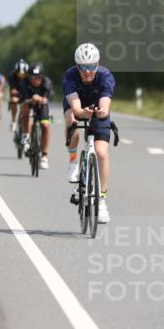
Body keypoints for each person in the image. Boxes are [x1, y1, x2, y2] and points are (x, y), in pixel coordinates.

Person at [63, 43, 115, 223]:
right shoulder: (70, 76)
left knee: (101, 153)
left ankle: (102, 202)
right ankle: (73, 162)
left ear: (97, 65)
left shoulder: (105, 76)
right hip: (77, 106)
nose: (87, 71)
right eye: (83, 67)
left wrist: (102, 112)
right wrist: (81, 113)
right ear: (77, 66)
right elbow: (76, 107)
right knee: (72, 120)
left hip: (97, 107)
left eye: (91, 66)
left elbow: (105, 103)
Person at [18, 63, 53, 170]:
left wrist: (39, 99)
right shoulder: (23, 82)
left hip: (42, 103)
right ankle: (26, 136)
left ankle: (44, 156)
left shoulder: (47, 83)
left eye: (38, 78)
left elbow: (46, 100)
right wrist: (32, 99)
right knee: (25, 109)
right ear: (28, 77)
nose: (35, 80)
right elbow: (24, 100)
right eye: (32, 78)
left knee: (46, 125)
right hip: (28, 101)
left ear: (42, 78)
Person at [7, 59, 29, 131]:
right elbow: (13, 90)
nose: (21, 76)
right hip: (16, 93)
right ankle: (13, 121)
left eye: (23, 74)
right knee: (13, 101)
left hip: (26, 94)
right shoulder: (12, 76)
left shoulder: (30, 76)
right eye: (19, 74)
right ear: (16, 72)